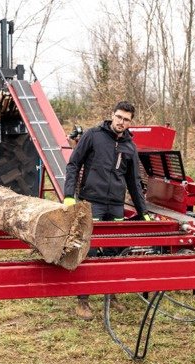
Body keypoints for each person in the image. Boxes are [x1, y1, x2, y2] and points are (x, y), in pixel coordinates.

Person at [63, 101, 150, 320]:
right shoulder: (93, 136)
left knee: (115, 250)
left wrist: (144, 211)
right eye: (119, 117)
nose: (121, 122)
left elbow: (134, 181)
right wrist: (68, 196)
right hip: (92, 202)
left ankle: (111, 295)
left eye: (126, 120)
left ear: (131, 122)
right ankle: (83, 299)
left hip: (116, 205)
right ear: (112, 115)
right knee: (89, 250)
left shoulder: (130, 147)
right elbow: (73, 164)